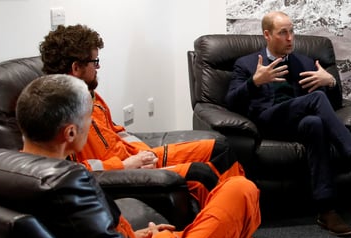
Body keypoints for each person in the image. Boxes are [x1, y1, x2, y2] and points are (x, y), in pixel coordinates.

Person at [16, 74, 262, 238]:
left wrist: (139, 235)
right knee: (240, 189)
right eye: (87, 121)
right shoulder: (75, 186)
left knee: (228, 205)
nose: (91, 123)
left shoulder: (8, 174)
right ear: (70, 132)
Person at [223, 10, 351, 238]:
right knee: (315, 100)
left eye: (292, 31)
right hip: (266, 121)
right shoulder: (248, 64)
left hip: (297, 122)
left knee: (315, 123)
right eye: (283, 33)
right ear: (267, 35)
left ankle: (326, 210)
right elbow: (230, 102)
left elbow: (332, 106)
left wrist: (330, 81)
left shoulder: (302, 61)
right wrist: (255, 82)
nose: (290, 38)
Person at [40, 24, 234, 205]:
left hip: (137, 158)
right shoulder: (57, 113)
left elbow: (118, 132)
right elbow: (73, 172)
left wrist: (144, 154)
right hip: (122, 173)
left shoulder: (90, 95)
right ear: (76, 67)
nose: (98, 67)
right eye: (95, 61)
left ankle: (241, 227)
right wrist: (126, 165)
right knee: (202, 173)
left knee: (220, 147)